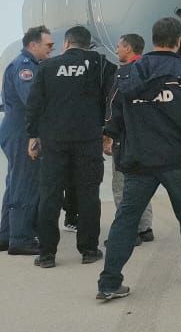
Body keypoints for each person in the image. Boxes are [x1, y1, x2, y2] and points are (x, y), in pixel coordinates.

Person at [98, 17, 181, 301]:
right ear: (178, 41)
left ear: (153, 39)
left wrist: (110, 137)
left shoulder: (127, 74)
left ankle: (109, 283)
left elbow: (113, 114)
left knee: (126, 219)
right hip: (178, 159)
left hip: (138, 160)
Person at [26, 25, 115, 268]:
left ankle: (47, 254)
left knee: (50, 196)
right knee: (88, 195)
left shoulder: (47, 67)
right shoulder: (101, 65)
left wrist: (33, 136)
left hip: (54, 142)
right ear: (88, 44)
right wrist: (109, 132)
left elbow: (34, 105)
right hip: (88, 141)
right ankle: (88, 250)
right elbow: (114, 100)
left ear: (66, 43)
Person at [0, 26, 54, 255]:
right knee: (26, 183)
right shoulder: (25, 68)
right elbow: (32, 102)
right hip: (23, 132)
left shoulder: (27, 65)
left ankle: (6, 235)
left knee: (15, 182)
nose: (51, 50)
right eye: (48, 45)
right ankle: (21, 239)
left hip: (16, 130)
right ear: (33, 45)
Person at [107, 33, 155, 244]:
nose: (116, 49)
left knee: (122, 185)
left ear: (128, 48)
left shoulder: (123, 75)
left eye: (119, 46)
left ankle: (128, 231)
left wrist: (108, 135)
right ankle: (145, 228)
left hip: (126, 140)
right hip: (149, 140)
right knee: (142, 184)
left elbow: (113, 109)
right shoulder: (152, 71)